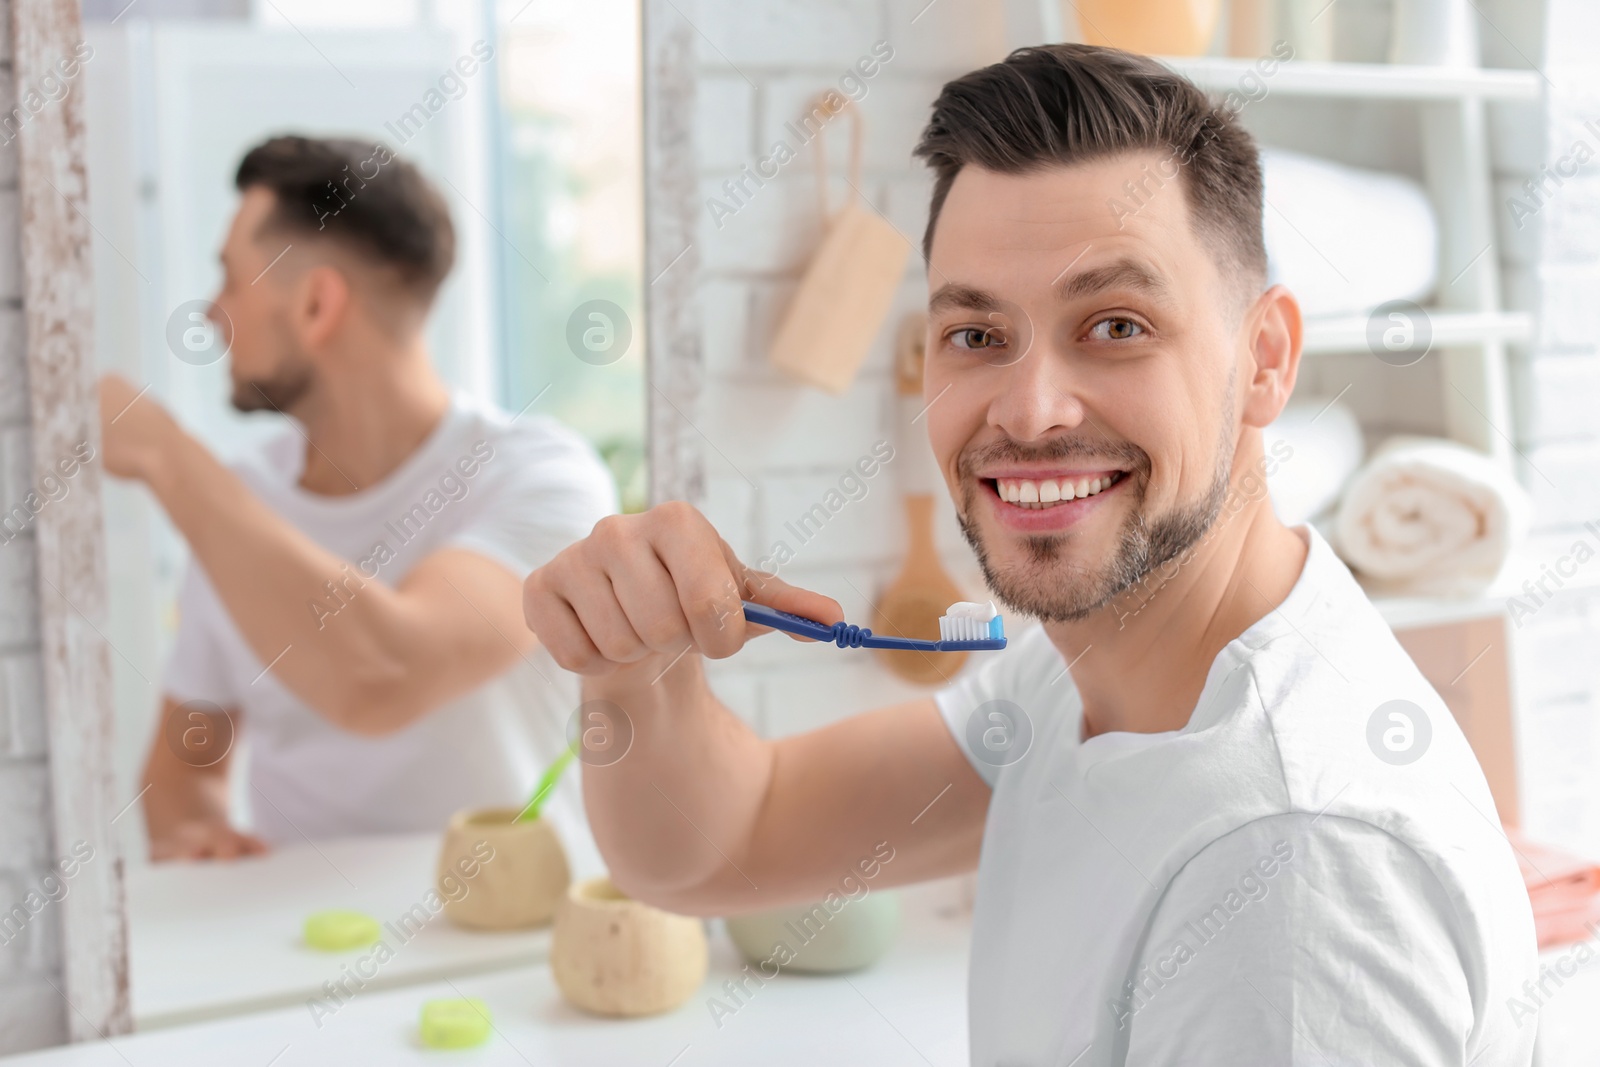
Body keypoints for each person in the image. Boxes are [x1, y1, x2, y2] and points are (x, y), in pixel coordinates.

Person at [521, 45, 1537, 1065]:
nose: (1028, 408)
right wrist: (631, 671)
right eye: (975, 334)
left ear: (1264, 358)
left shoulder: (1290, 866)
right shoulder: (1086, 673)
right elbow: (725, 841)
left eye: (1115, 324)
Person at [101, 135, 615, 863]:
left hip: (507, 937)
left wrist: (163, 453)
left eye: (230, 281)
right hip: (292, 942)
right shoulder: (241, 499)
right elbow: (185, 769)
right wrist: (196, 837)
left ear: (316, 305)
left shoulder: (542, 478)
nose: (212, 315)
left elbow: (385, 675)